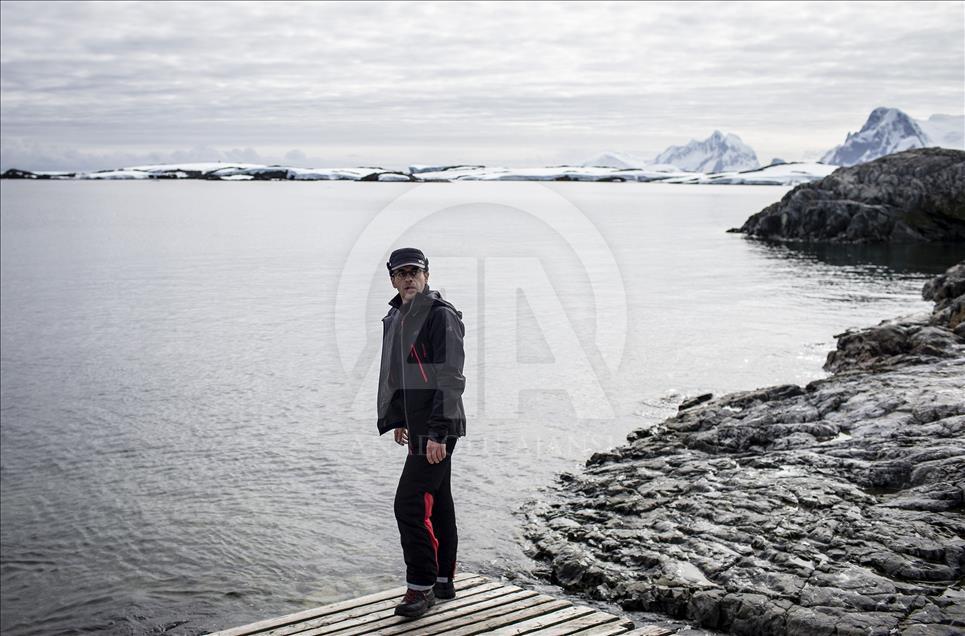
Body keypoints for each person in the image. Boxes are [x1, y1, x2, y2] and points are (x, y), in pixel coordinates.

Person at [376, 247, 467, 619]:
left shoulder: (439, 316)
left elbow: (451, 378)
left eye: (416, 272)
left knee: (409, 505)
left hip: (438, 425)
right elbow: (401, 373)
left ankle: (421, 588)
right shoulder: (399, 315)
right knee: (438, 500)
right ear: (393, 280)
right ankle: (444, 580)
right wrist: (401, 418)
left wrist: (436, 434)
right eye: (402, 273)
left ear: (427, 276)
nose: (409, 278)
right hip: (419, 424)